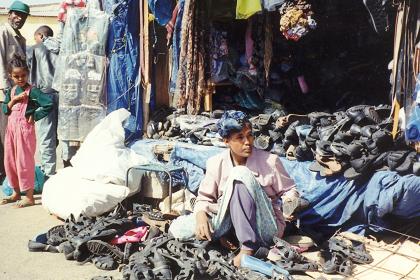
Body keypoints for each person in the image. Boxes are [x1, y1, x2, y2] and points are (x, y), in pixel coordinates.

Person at [169, 110, 300, 267]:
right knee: (178, 229)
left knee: (239, 173)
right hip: (228, 223)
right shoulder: (215, 163)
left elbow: (289, 190)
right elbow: (204, 198)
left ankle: (247, 249)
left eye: (250, 135)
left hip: (264, 227)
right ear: (226, 141)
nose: (248, 141)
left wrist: (289, 202)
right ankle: (233, 239)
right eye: (240, 137)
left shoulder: (270, 161)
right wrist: (200, 215)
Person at [1, 57, 53, 207]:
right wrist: (14, 100)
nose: (20, 79)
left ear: (27, 73)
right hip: (11, 130)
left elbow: (48, 104)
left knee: (24, 162)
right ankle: (16, 193)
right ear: (10, 76)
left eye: (23, 75)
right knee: (10, 162)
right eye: (16, 76)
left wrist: (35, 115)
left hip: (24, 131)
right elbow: (5, 109)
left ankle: (29, 197)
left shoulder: (33, 91)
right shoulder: (11, 91)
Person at [0, 0, 30, 183]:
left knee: (15, 135)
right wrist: (4, 88)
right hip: (6, 92)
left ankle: (13, 173)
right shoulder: (3, 32)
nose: (20, 18)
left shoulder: (20, 38)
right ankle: (5, 175)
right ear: (9, 14)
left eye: (23, 16)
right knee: (5, 136)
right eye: (17, 14)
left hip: (17, 92)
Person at [27, 25, 59, 179]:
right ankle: (68, 169)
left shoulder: (35, 49)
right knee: (63, 135)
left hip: (43, 95)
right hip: (62, 94)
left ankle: (49, 174)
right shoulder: (61, 47)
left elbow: (28, 73)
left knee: (46, 135)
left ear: (40, 35)